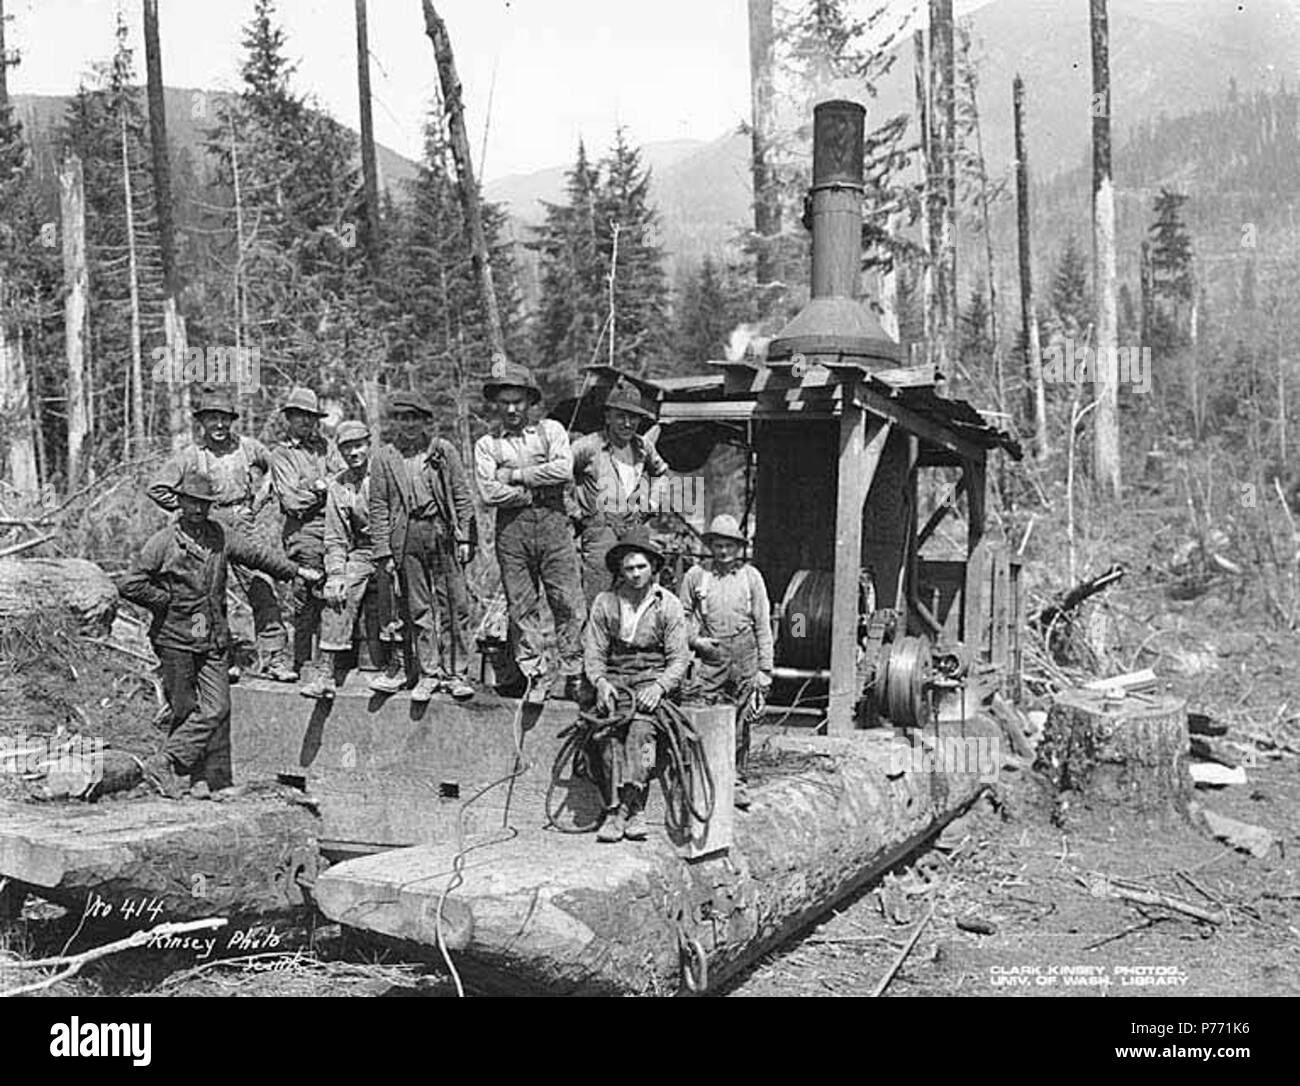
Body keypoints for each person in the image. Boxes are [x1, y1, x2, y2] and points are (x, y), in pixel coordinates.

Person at [120, 469, 321, 799]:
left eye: (204, 504)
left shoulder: (219, 535)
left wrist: (298, 571)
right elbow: (131, 583)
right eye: (192, 503)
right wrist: (165, 602)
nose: (198, 510)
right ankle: (193, 780)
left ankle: (167, 761)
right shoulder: (163, 543)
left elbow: (257, 556)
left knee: (215, 708)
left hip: (210, 633)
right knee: (183, 708)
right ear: (180, 502)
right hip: (175, 637)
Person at [146, 382, 294, 681]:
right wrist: (190, 509)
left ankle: (275, 658)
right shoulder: (191, 456)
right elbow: (157, 488)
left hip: (243, 523)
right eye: (212, 418)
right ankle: (219, 659)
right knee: (208, 595)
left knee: (262, 587)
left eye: (224, 418)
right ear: (201, 422)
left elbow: (277, 466)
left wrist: (262, 496)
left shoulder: (247, 447)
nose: (219, 424)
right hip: (207, 529)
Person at [474, 362, 586, 702]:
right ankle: (535, 676)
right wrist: (531, 488)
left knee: (566, 601)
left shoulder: (550, 431)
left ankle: (573, 674)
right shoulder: (487, 444)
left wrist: (517, 475)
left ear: (530, 402)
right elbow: (489, 492)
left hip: (554, 525)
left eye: (518, 401)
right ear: (495, 404)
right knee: (522, 605)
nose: (511, 409)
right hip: (512, 530)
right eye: (504, 402)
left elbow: (564, 470)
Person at [582, 526, 690, 843]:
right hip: (616, 679)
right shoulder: (605, 602)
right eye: (628, 568)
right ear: (620, 570)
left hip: (652, 679)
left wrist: (658, 688)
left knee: (642, 734)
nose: (635, 574)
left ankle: (635, 803)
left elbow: (679, 660)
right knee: (605, 733)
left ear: (653, 567)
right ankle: (614, 807)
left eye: (641, 566)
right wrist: (600, 683)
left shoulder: (667, 604)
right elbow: (594, 653)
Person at [369, 390, 477, 702]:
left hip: (442, 531)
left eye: (414, 418)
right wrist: (383, 552)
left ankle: (456, 673)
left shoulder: (442, 450)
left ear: (425, 421)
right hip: (407, 535)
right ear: (395, 422)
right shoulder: (385, 457)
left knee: (455, 604)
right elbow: (378, 507)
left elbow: (461, 495)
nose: (409, 425)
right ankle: (429, 673)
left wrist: (466, 538)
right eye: (403, 418)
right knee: (418, 607)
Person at [678, 514, 773, 810]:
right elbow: (680, 617)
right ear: (710, 547)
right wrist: (696, 641)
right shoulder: (696, 575)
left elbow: (762, 623)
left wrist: (765, 669)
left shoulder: (751, 577)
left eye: (729, 547)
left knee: (742, 720)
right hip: (711, 653)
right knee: (704, 713)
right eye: (718, 546)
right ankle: (703, 778)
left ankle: (736, 782)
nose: (723, 552)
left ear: (738, 548)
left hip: (745, 652)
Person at [570, 378, 670, 606]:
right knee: (598, 596)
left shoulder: (643, 447)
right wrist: (575, 511)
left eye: (633, 417)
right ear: (607, 416)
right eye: (620, 416)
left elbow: (662, 474)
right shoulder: (588, 447)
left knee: (635, 593)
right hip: (600, 531)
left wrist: (652, 504)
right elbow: (559, 474)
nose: (627, 424)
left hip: (633, 528)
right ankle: (592, 641)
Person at [302, 420, 376, 700]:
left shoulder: (386, 475)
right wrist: (335, 574)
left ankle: (400, 667)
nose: (353, 452)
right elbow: (335, 538)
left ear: (369, 445)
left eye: (358, 445)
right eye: (347, 448)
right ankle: (326, 672)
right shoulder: (339, 486)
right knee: (336, 592)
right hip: (363, 551)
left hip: (395, 548)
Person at [269, 386, 336, 683]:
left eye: (311, 418)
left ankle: (329, 664)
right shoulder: (282, 454)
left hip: (334, 528)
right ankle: (302, 662)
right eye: (300, 417)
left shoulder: (327, 447)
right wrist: (322, 489)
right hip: (303, 532)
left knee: (335, 595)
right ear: (289, 419)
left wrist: (314, 485)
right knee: (306, 596)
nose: (307, 423)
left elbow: (345, 478)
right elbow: (291, 502)